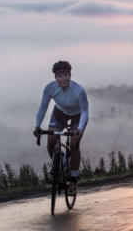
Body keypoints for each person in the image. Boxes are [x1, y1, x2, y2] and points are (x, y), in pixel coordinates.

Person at [33, 60, 88, 195]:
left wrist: (80, 129)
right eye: (59, 76)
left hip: (77, 115)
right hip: (59, 114)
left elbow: (85, 111)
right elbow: (43, 107)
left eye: (65, 75)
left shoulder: (79, 90)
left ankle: (73, 179)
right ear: (55, 78)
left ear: (70, 75)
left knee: (74, 145)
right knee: (51, 142)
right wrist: (37, 126)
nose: (62, 78)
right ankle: (60, 163)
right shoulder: (50, 88)